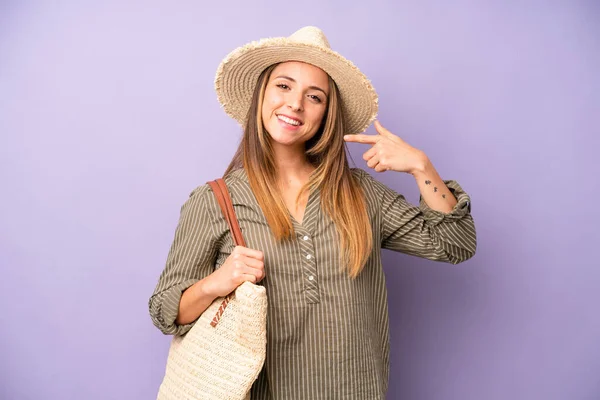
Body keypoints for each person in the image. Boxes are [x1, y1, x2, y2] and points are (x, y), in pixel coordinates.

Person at [149, 26, 476, 399]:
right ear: (262, 95)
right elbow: (164, 310)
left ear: (326, 113)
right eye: (284, 86)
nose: (295, 104)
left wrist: (421, 167)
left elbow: (455, 244)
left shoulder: (360, 193)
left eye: (314, 96)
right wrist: (215, 283)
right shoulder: (214, 201)